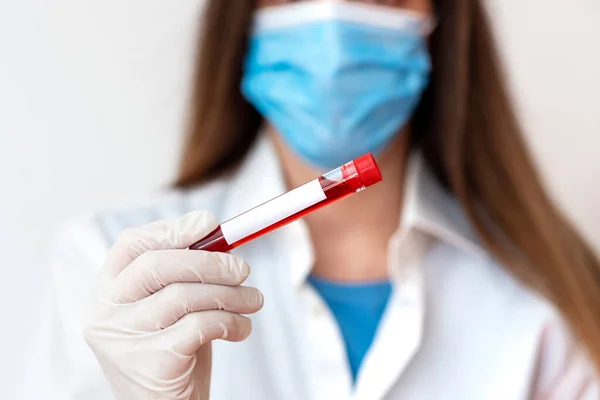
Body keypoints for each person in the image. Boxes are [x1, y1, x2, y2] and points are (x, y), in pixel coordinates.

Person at [36, 0, 600, 399]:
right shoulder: (114, 270)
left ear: (437, 20)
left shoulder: (554, 298)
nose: (332, 20)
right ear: (243, 18)